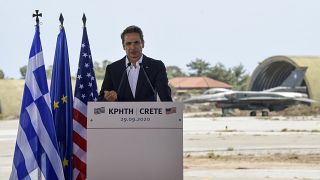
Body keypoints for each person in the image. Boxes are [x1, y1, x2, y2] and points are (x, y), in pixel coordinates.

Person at [98, 25, 172, 101]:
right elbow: (101, 99)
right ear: (123, 46)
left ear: (142, 44)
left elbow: (165, 97)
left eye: (136, 42)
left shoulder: (156, 66)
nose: (133, 47)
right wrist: (107, 98)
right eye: (128, 43)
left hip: (148, 113)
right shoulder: (113, 69)